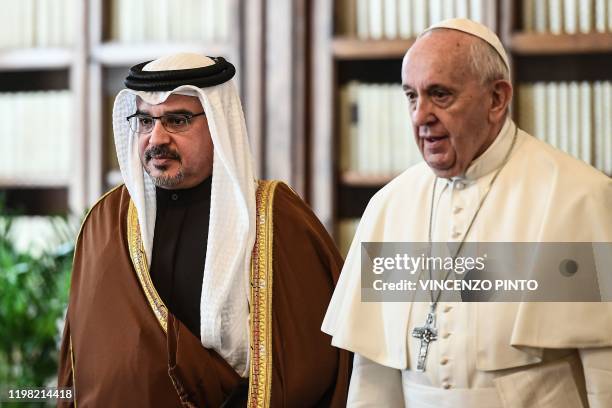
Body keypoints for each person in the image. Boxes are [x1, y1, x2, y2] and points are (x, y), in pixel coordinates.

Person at [322, 18, 612, 407]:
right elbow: (374, 376)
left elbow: (604, 369)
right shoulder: (390, 206)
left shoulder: (575, 198)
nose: (420, 116)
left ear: (496, 99)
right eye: (411, 96)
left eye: (440, 95)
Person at [57, 53, 351, 407]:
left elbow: (312, 364)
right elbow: (86, 366)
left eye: (177, 120)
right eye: (146, 121)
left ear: (218, 123)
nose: (156, 139)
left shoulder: (276, 219)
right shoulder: (105, 223)